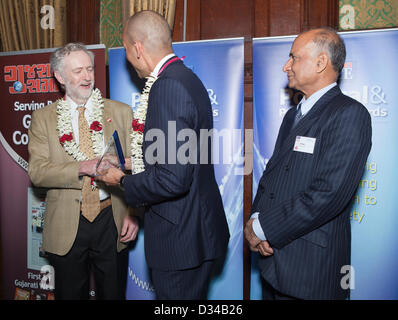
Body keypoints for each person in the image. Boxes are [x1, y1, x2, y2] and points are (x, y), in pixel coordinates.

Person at [96, 11, 230, 300]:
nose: (129, 62)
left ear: (137, 48)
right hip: (195, 230)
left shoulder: (167, 86)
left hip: (181, 238)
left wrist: (121, 180)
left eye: (127, 52)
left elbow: (173, 178)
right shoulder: (187, 78)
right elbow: (185, 155)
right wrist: (138, 162)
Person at [244, 27, 372, 300]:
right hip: (274, 262)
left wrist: (264, 227)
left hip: (311, 273)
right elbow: (273, 177)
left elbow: (329, 194)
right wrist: (256, 218)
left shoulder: (350, 115)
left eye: (293, 58)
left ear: (321, 62)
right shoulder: (293, 115)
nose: (285, 66)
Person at [28, 43, 139, 300]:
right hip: (67, 223)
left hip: (112, 219)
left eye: (90, 69)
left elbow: (138, 166)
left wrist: (134, 212)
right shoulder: (43, 119)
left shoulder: (120, 112)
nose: (87, 77)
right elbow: (38, 172)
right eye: (78, 71)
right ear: (60, 76)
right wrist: (82, 167)